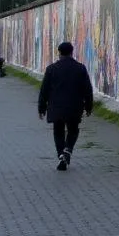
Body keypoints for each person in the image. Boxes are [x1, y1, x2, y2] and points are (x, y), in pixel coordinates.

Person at [38, 41, 94, 172]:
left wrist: (41, 108)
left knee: (58, 131)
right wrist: (89, 107)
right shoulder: (80, 68)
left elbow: (44, 90)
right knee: (73, 130)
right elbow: (87, 89)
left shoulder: (51, 69)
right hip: (74, 107)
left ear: (59, 53)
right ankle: (68, 150)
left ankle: (61, 154)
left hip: (56, 107)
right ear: (71, 52)